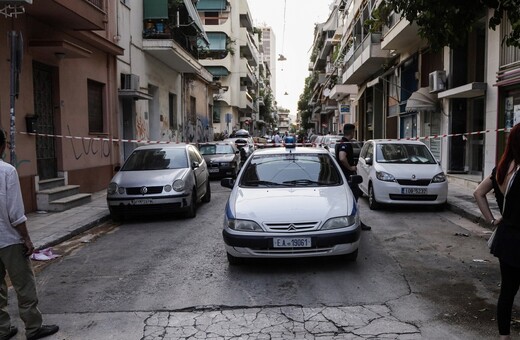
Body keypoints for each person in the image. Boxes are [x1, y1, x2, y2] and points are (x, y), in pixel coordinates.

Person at [0, 129, 59, 340]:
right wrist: (26, 238)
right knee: (24, 285)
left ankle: (2, 329)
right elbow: (15, 212)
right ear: (3, 146)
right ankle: (33, 328)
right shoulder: (7, 171)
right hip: (8, 240)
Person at [474, 123, 520, 340]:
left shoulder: (502, 168)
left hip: (506, 240)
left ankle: (504, 336)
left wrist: (493, 220)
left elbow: (478, 193)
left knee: (507, 292)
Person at [335, 124, 371, 231]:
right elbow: (342, 157)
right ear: (352, 132)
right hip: (348, 177)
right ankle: (355, 223)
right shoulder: (344, 144)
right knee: (353, 202)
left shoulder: (341, 142)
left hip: (344, 176)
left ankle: (355, 222)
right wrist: (350, 168)